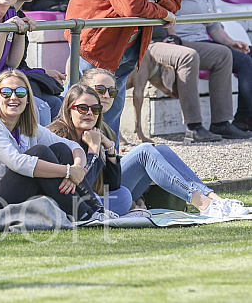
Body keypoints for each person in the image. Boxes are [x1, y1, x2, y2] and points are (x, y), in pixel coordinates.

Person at [65, 0, 182, 139]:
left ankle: (109, 167)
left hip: (129, 43)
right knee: (81, 108)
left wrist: (153, 1)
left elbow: (176, 0)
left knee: (113, 109)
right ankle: (69, 161)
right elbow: (130, 8)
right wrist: (162, 11)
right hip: (95, 41)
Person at [78, 68, 248, 217]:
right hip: (93, 200)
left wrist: (138, 198)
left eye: (112, 91)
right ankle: (204, 204)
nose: (107, 96)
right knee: (144, 151)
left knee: (161, 149)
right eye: (100, 90)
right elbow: (85, 179)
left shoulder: (103, 125)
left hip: (113, 191)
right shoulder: (79, 124)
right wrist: (130, 204)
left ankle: (216, 200)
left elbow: (111, 173)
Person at [0, 70, 115, 222]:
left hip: (18, 191)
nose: (13, 97)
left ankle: (95, 210)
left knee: (61, 149)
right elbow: (17, 162)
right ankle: (84, 214)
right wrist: (69, 171)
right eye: (6, 92)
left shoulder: (27, 126)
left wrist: (77, 168)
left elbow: (72, 146)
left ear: (27, 97)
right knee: (40, 152)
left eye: (20, 92)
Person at [174, 0, 252, 135]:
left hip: (204, 42)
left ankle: (242, 118)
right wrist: (170, 36)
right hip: (185, 41)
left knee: (248, 55)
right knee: (242, 62)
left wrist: (232, 42)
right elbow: (163, 7)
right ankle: (240, 119)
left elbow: (214, 27)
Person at [47, 85, 133, 216]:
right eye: (82, 108)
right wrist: (93, 150)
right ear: (69, 110)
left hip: (87, 200)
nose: (90, 113)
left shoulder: (92, 135)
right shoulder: (58, 136)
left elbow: (112, 186)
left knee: (123, 194)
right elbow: (83, 186)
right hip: (64, 202)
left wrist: (109, 148)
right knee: (123, 199)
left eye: (95, 109)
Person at [145, 27, 241, 141]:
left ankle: (221, 124)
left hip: (166, 41)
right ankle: (193, 127)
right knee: (188, 56)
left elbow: (167, 19)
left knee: (223, 54)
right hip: (147, 44)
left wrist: (173, 37)